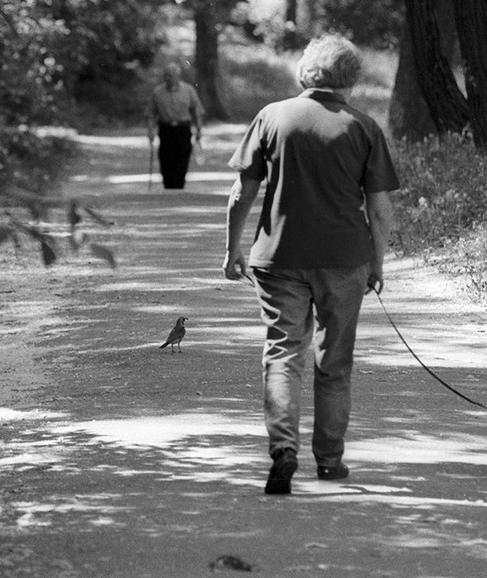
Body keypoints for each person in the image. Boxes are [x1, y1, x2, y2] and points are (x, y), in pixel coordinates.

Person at [222, 34, 400, 495]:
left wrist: (232, 249)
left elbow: (243, 192)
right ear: (352, 78)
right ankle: (329, 461)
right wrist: (377, 263)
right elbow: (379, 210)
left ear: (307, 71)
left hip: (278, 257)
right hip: (345, 261)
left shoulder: (272, 117)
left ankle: (284, 449)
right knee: (334, 362)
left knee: (283, 352)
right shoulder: (363, 127)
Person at [146, 63, 205, 189]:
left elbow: (197, 111)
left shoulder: (188, 90)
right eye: (167, 76)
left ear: (178, 76)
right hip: (166, 129)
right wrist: (150, 131)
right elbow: (151, 114)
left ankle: (179, 185)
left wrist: (199, 129)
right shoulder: (157, 92)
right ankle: (168, 185)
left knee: (182, 157)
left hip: (183, 129)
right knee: (165, 157)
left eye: (172, 76)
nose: (169, 79)